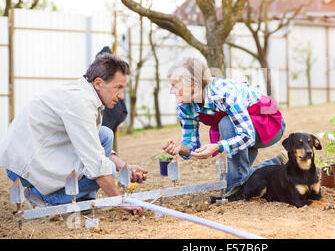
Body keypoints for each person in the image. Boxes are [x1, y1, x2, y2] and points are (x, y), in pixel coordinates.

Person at [0, 53, 147, 213]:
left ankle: (82, 198)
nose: (121, 95)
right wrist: (121, 202)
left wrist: (125, 167)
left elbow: (94, 143)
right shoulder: (80, 104)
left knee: (105, 135)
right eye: (118, 87)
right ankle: (43, 197)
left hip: (41, 150)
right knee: (107, 169)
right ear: (98, 83)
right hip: (24, 164)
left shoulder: (86, 94)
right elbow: (97, 165)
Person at [162, 57, 287, 198]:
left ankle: (236, 186)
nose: (171, 91)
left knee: (226, 124)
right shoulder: (185, 106)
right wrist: (180, 148)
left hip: (268, 124)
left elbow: (247, 135)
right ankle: (274, 166)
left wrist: (218, 146)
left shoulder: (223, 93)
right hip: (242, 131)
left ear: (195, 86)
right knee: (237, 178)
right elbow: (191, 144)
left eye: (175, 86)